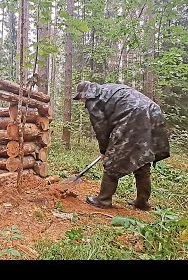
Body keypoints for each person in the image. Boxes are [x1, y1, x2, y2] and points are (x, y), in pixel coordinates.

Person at [72, 80, 170, 210]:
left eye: (80, 98)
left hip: (133, 115)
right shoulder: (109, 90)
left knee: (113, 160)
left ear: (84, 94)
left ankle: (103, 200)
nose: (82, 101)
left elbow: (100, 128)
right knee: (142, 157)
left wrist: (104, 150)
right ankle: (142, 201)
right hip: (153, 112)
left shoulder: (93, 100)